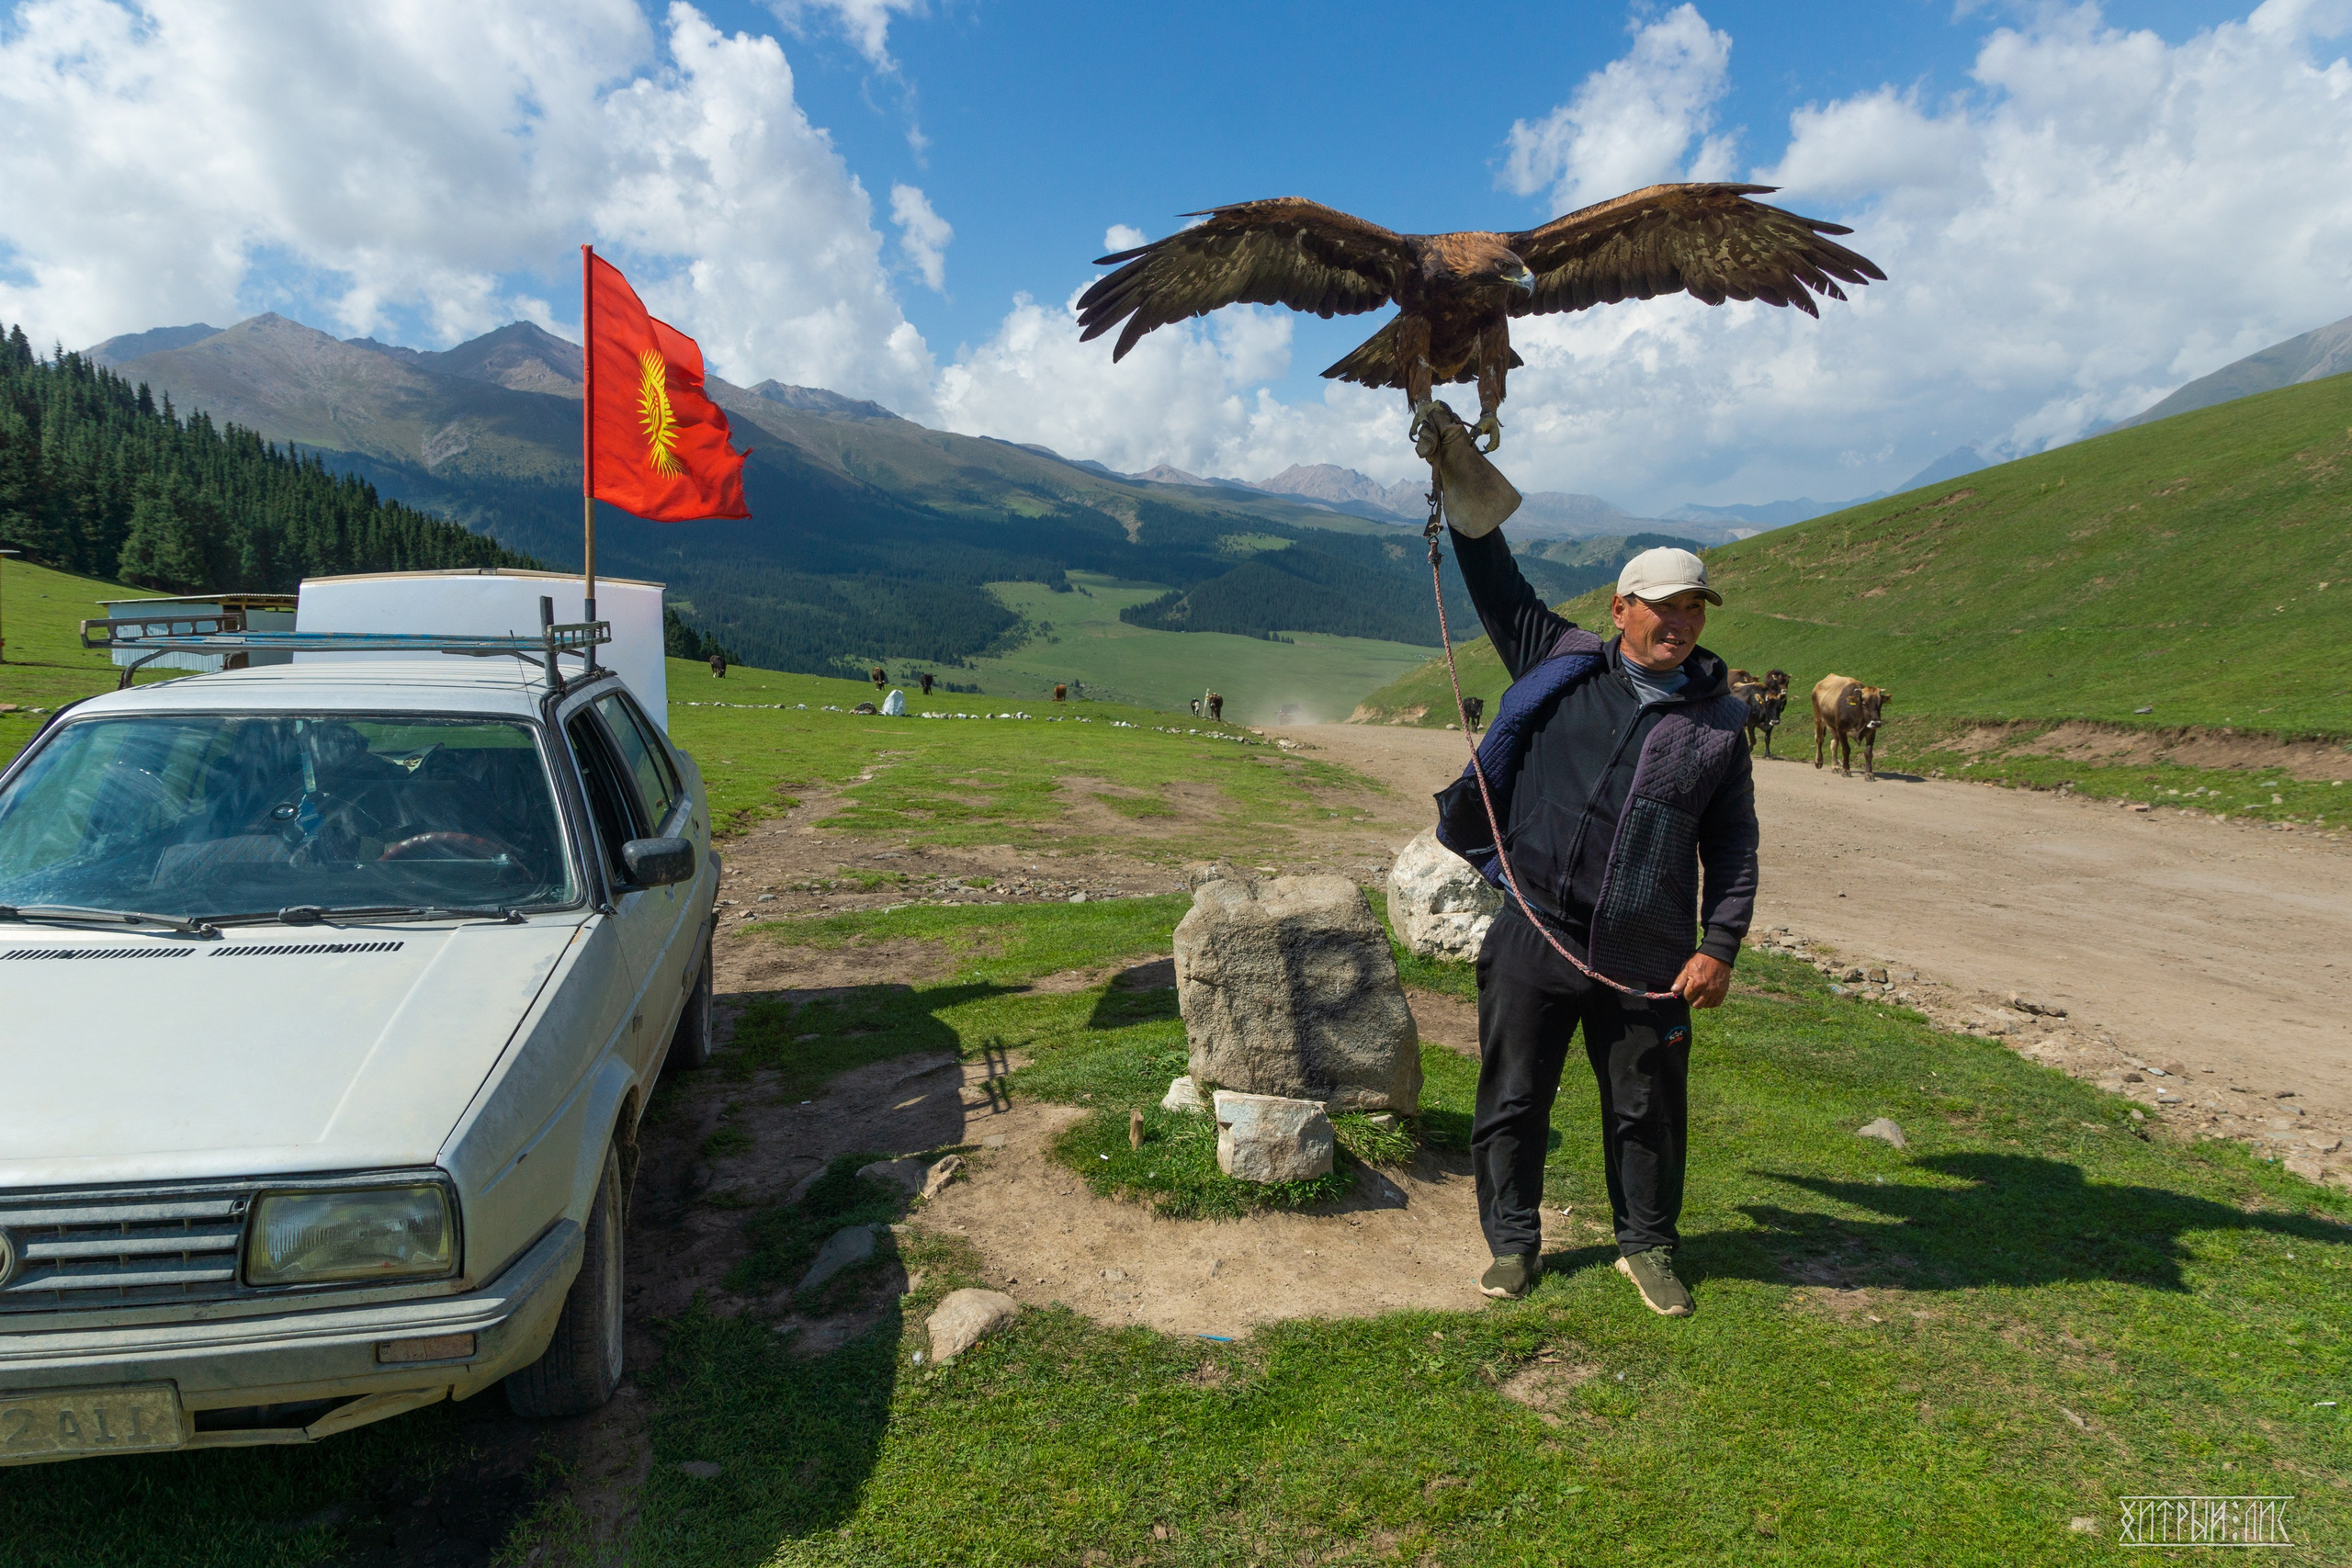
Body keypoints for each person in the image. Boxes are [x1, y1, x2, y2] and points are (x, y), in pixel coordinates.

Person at [1435, 541, 1758, 1317]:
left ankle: (1647, 1246)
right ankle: (1513, 1243)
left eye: (1693, 608)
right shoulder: (1561, 660)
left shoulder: (1718, 725)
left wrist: (1718, 945)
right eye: (1663, 606)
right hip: (1535, 929)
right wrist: (1463, 490)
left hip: (1645, 954)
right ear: (1621, 610)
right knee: (1513, 1096)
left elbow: (1734, 845)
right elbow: (1496, 583)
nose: (1679, 623)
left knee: (1647, 1110)